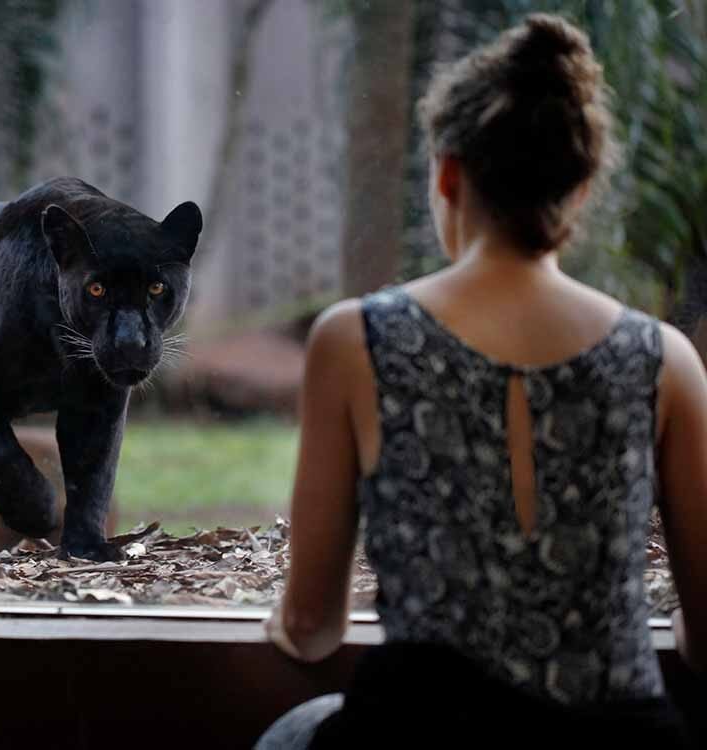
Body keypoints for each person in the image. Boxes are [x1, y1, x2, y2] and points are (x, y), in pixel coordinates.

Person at [257, 13, 706, 749]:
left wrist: (282, 624)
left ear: (448, 174)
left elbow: (311, 630)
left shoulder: (356, 340)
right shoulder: (664, 359)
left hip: (418, 733)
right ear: (582, 187)